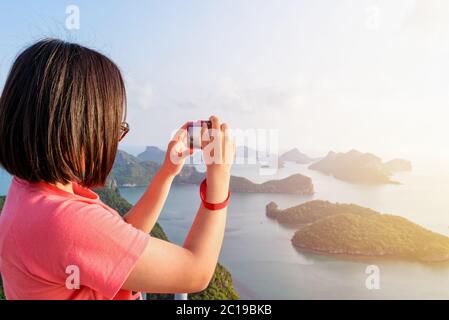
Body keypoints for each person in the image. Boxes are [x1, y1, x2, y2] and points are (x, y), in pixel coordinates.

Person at [0, 39, 235, 300]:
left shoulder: (28, 192)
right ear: (75, 131)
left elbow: (119, 239)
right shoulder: (65, 222)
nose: (114, 140)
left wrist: (168, 172)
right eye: (113, 128)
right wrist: (220, 177)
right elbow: (195, 272)